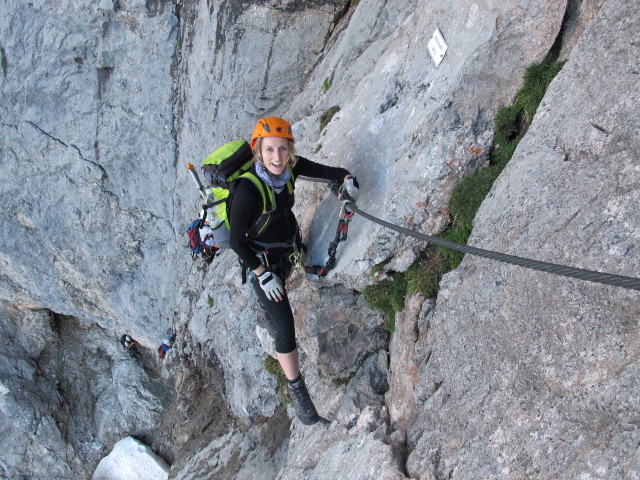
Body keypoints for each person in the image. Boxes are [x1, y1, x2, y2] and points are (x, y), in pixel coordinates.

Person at [228, 117, 359, 425]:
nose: (277, 158)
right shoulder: (248, 190)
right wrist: (261, 272)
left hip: (286, 252)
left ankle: (267, 309)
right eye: (270, 150)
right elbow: (236, 241)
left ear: (290, 150)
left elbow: (331, 173)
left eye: (282, 150)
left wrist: (347, 180)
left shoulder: (290, 168)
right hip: (262, 261)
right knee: (285, 328)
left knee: (278, 298)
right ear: (258, 151)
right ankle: (300, 397)